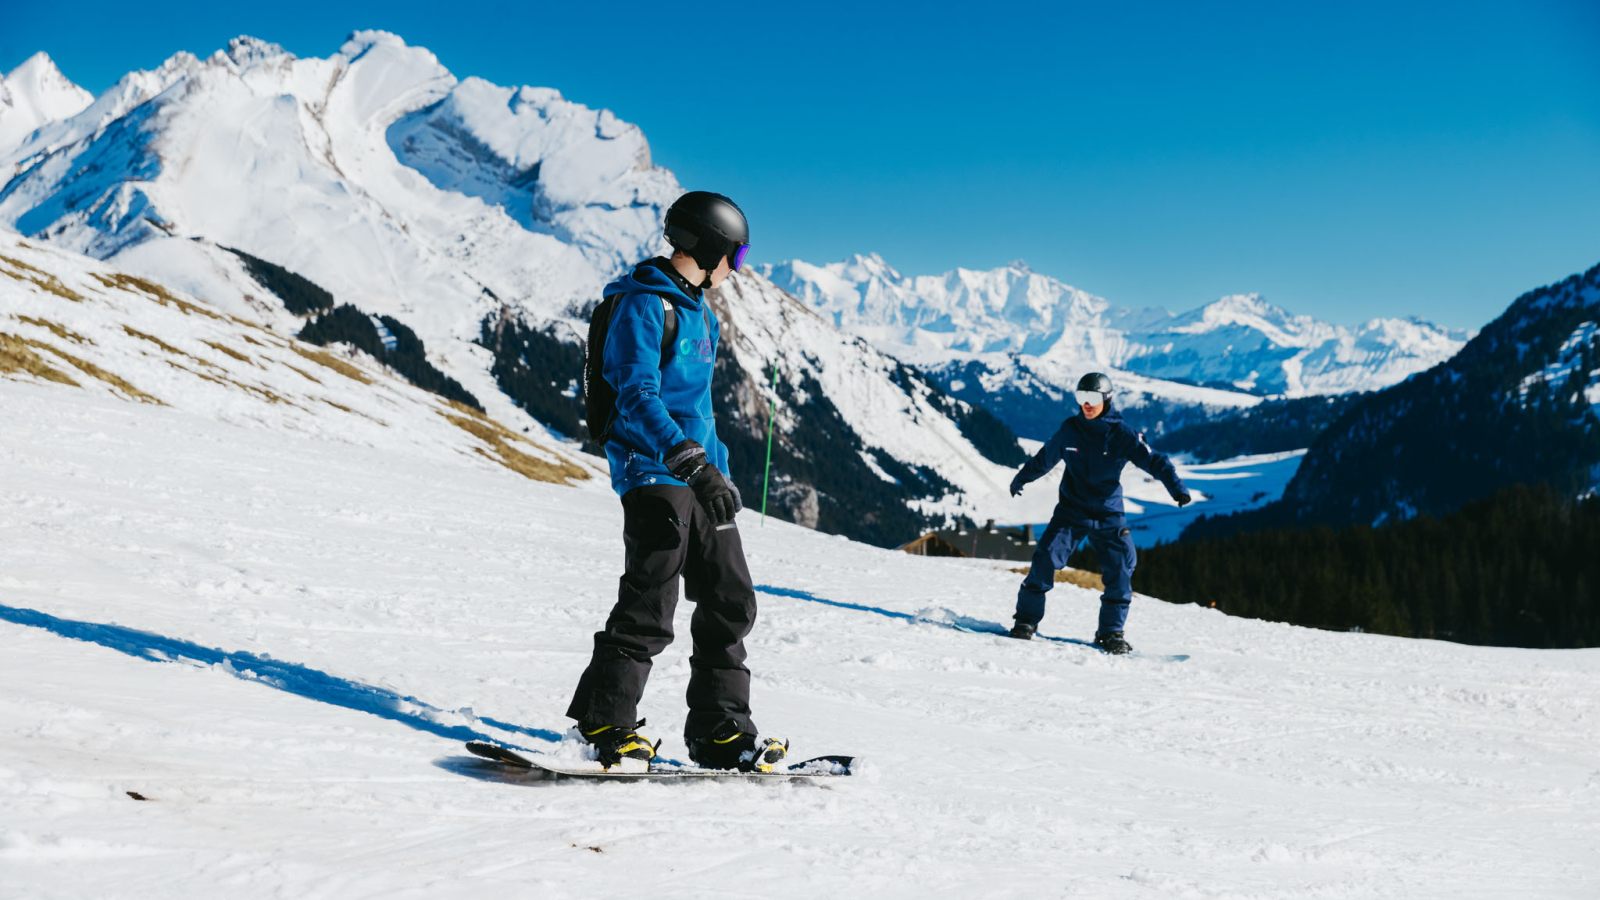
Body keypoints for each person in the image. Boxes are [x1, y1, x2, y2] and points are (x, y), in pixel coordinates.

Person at [564, 191, 786, 772]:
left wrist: (716, 470)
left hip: (702, 477)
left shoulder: (698, 311)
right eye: (735, 259)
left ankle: (719, 730)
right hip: (654, 471)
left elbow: (701, 409)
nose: (735, 271)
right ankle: (605, 726)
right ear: (710, 247)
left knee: (730, 598)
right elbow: (637, 396)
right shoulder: (644, 306)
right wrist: (690, 462)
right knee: (650, 601)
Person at [1006, 372, 1191, 654]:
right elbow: (1045, 458)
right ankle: (1026, 621)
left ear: (1107, 399)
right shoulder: (1070, 429)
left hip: (1108, 515)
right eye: (1081, 398)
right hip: (1071, 511)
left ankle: (1111, 633)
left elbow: (1154, 461)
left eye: (1092, 398)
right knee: (1044, 558)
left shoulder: (1123, 435)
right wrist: (1021, 478)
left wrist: (1177, 489)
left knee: (1121, 567)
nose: (1086, 404)